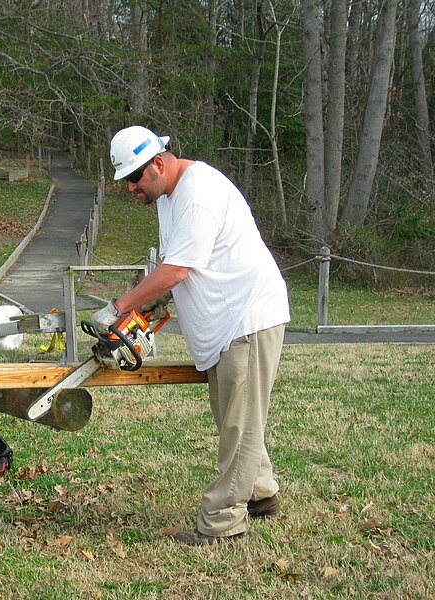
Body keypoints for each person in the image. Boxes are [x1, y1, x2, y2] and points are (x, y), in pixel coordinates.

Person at [93, 125, 290, 546]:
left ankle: (222, 523)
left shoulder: (197, 194)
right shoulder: (170, 195)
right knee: (233, 417)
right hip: (227, 323)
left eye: (133, 177)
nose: (130, 188)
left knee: (239, 425)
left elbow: (177, 270)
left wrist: (120, 307)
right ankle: (261, 492)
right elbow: (180, 264)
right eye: (125, 179)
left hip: (248, 317)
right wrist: (153, 302)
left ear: (159, 163)